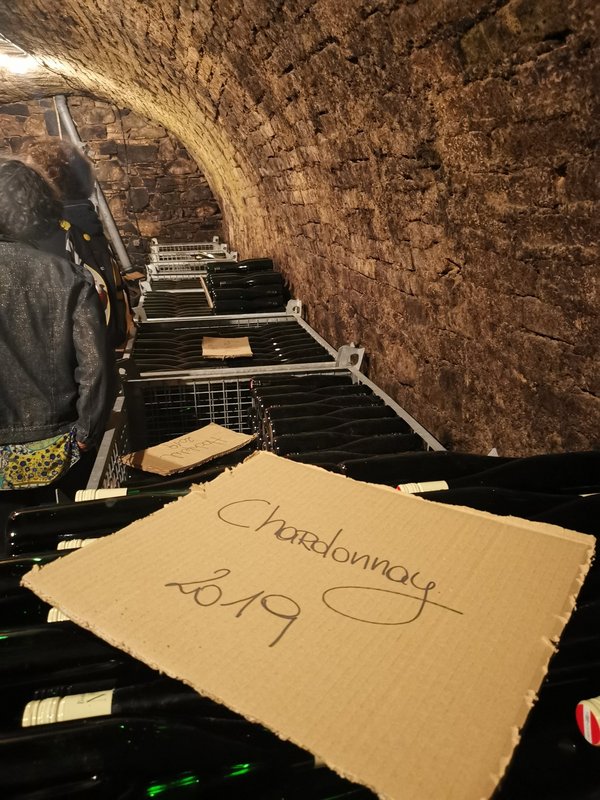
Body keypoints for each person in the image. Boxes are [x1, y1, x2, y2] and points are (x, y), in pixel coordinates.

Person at [0, 158, 115, 521]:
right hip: (56, 447)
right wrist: (86, 433)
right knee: (61, 536)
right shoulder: (67, 276)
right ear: (41, 210)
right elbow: (96, 366)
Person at [21, 137, 130, 349]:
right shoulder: (85, 218)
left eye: (29, 176)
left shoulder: (52, 232)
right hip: (101, 345)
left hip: (69, 357)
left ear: (48, 179)